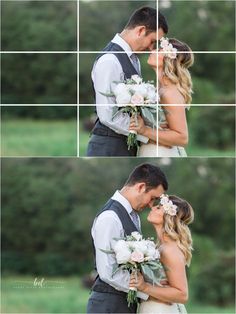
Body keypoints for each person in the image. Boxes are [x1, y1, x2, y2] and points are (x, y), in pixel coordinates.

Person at [87, 163, 168, 313]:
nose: (151, 205)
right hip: (108, 306)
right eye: (152, 198)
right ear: (141, 187)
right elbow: (108, 271)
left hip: (124, 304)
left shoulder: (133, 216)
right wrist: (148, 292)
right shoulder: (110, 217)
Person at [87, 7, 162, 157]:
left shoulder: (134, 60)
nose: (151, 48)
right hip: (108, 148)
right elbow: (108, 114)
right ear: (141, 30)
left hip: (126, 144)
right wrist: (147, 135)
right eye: (153, 41)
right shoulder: (110, 60)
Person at [130, 194, 194, 313]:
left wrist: (145, 287)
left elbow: (182, 294)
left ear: (169, 217)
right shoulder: (159, 247)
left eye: (158, 207)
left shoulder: (170, 250)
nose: (152, 208)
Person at [130, 38, 194, 157]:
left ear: (168, 59)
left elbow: (182, 137)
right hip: (152, 149)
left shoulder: (169, 92)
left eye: (159, 50)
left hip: (160, 152)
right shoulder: (159, 89)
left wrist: (145, 130)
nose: (153, 50)